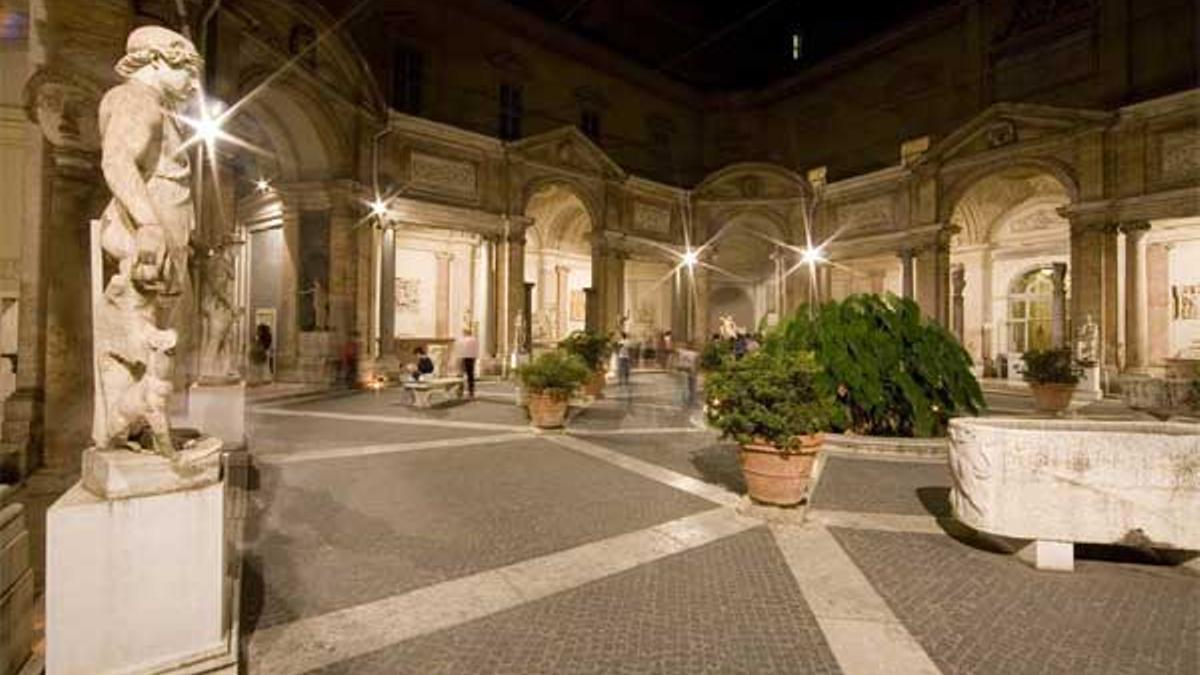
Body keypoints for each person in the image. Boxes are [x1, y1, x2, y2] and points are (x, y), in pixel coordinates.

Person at [456, 328, 479, 397]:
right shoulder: (474, 340)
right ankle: (471, 391)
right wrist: (475, 358)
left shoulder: (462, 340)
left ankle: (460, 390)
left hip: (464, 357)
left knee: (461, 375)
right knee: (470, 375)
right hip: (471, 358)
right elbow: (476, 349)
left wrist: (458, 358)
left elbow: (460, 349)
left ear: (465, 333)